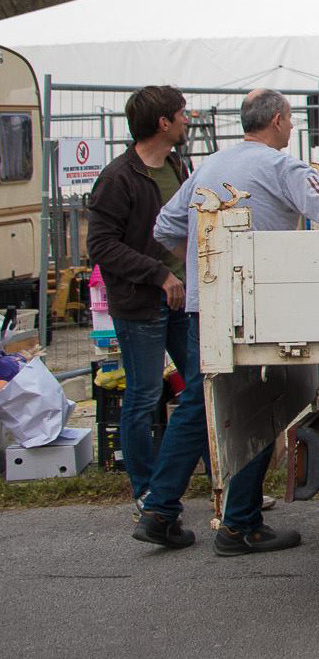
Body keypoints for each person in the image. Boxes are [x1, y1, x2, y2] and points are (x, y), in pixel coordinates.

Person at [133, 89, 319, 555]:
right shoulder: (283, 167)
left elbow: (164, 226)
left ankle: (161, 509)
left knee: (204, 405)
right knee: (261, 408)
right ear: (279, 120)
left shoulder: (211, 166)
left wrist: (206, 261)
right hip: (261, 303)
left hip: (211, 302)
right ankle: (239, 524)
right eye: (290, 121)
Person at [86, 86, 190, 504]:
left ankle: (195, 480)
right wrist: (159, 274)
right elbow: (102, 246)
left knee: (204, 386)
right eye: (181, 113)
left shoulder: (176, 165)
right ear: (163, 123)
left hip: (184, 300)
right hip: (143, 303)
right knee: (144, 395)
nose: (187, 119)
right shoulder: (118, 178)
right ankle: (147, 491)